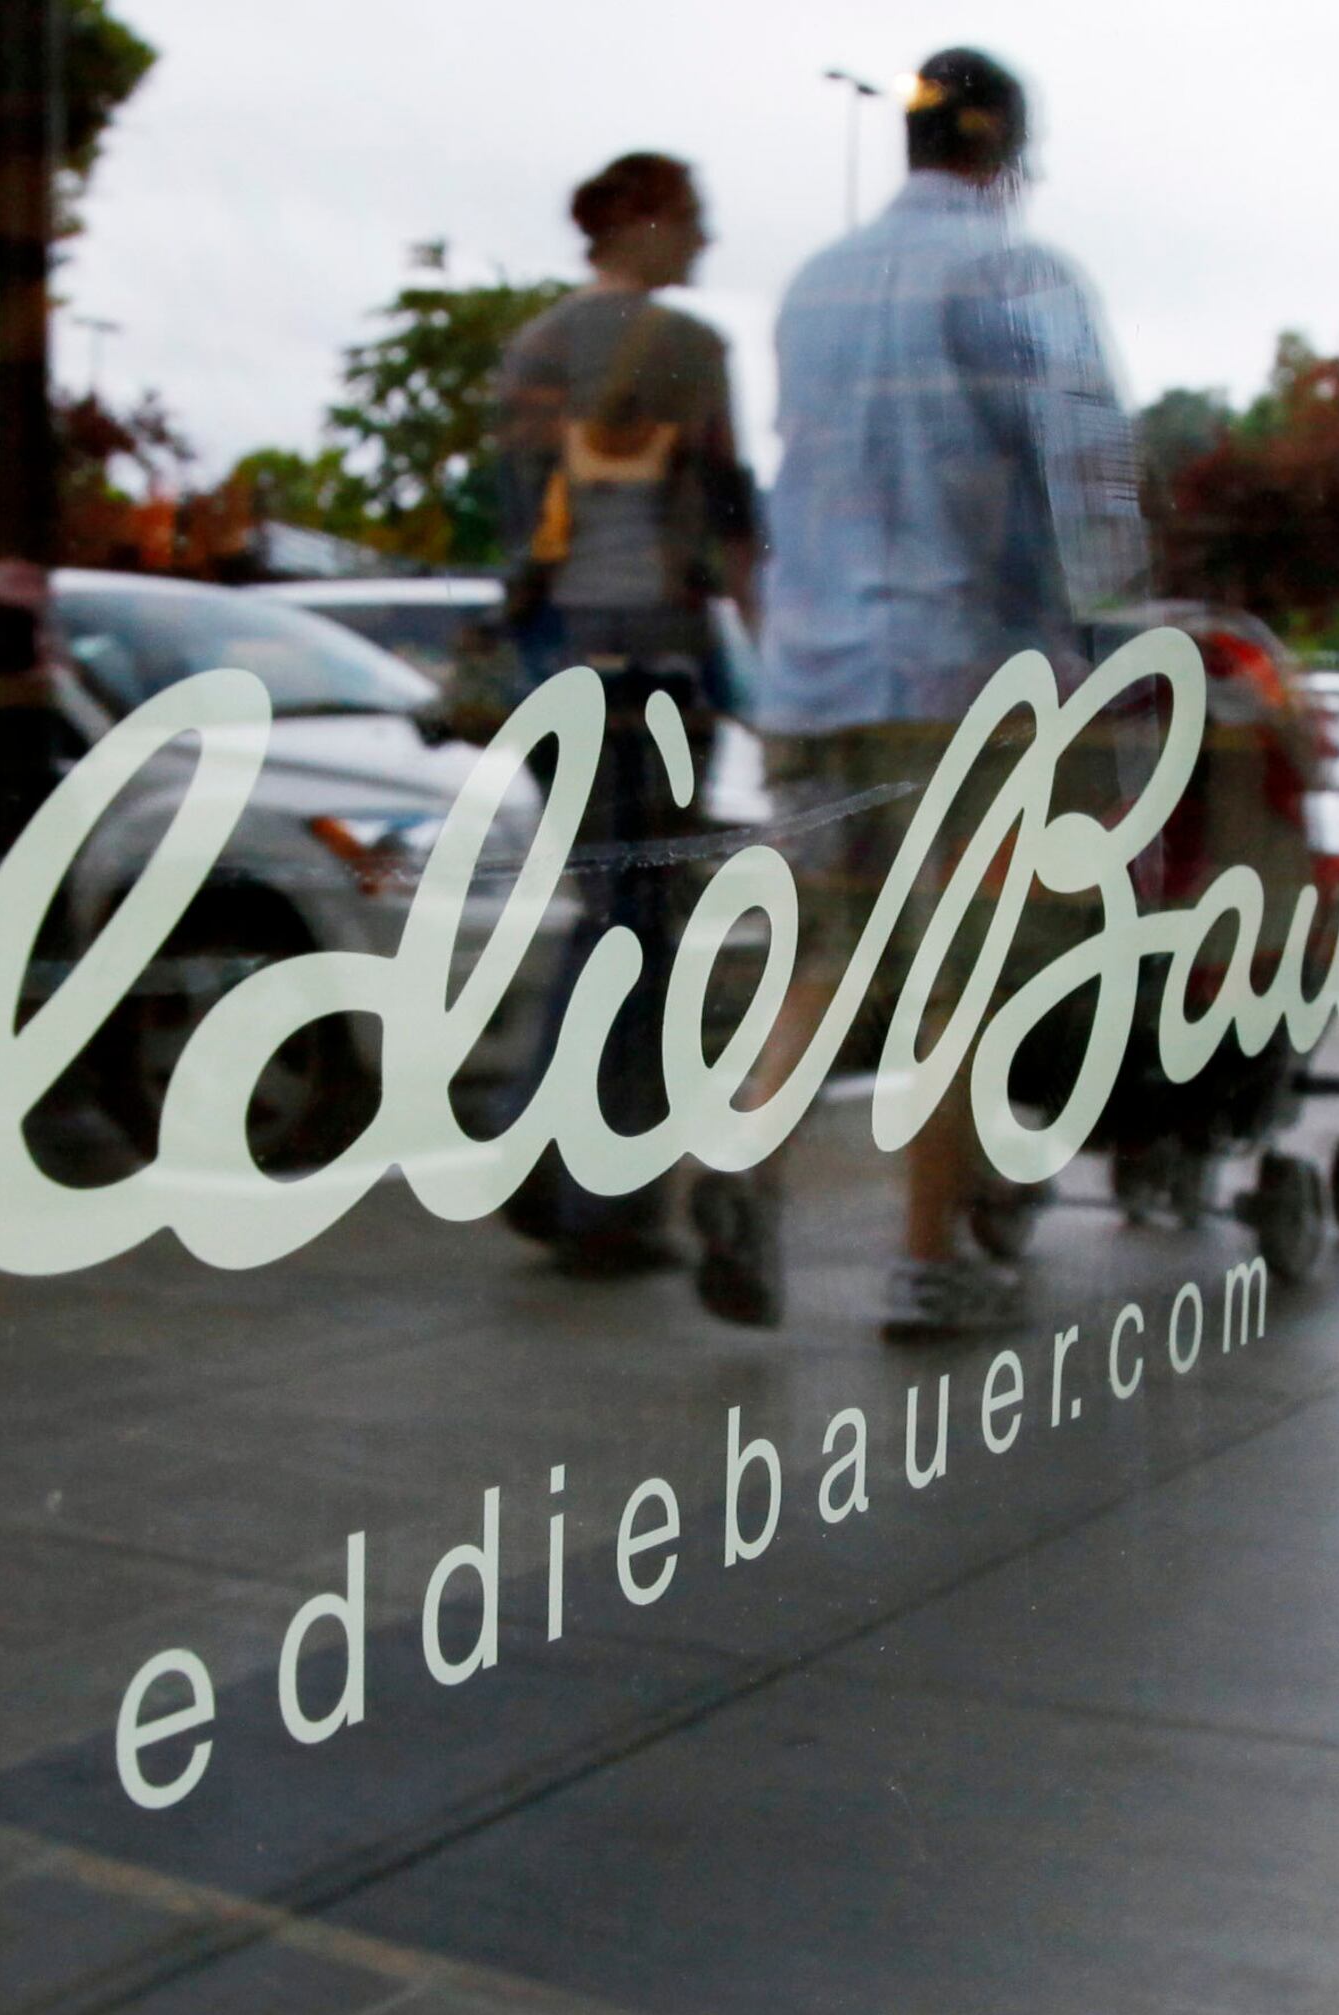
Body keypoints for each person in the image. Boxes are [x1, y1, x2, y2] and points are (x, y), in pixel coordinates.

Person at [755, 48, 1147, 1341]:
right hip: (967, 681)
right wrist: (1116, 649)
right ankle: (928, 1263)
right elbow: (1087, 484)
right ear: (1008, 156)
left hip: (811, 678)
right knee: (958, 978)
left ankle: (745, 1169)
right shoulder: (1020, 274)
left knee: (824, 951)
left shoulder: (814, 284)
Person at [489, 152, 778, 1324]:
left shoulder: (531, 349)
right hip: (654, 673)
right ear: (642, 222)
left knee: (608, 911)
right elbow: (732, 515)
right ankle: (595, 1193)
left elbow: (519, 520)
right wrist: (775, 663)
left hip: (550, 672)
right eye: (693, 220)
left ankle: (544, 1163)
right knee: (643, 932)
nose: (704, 241)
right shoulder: (687, 346)